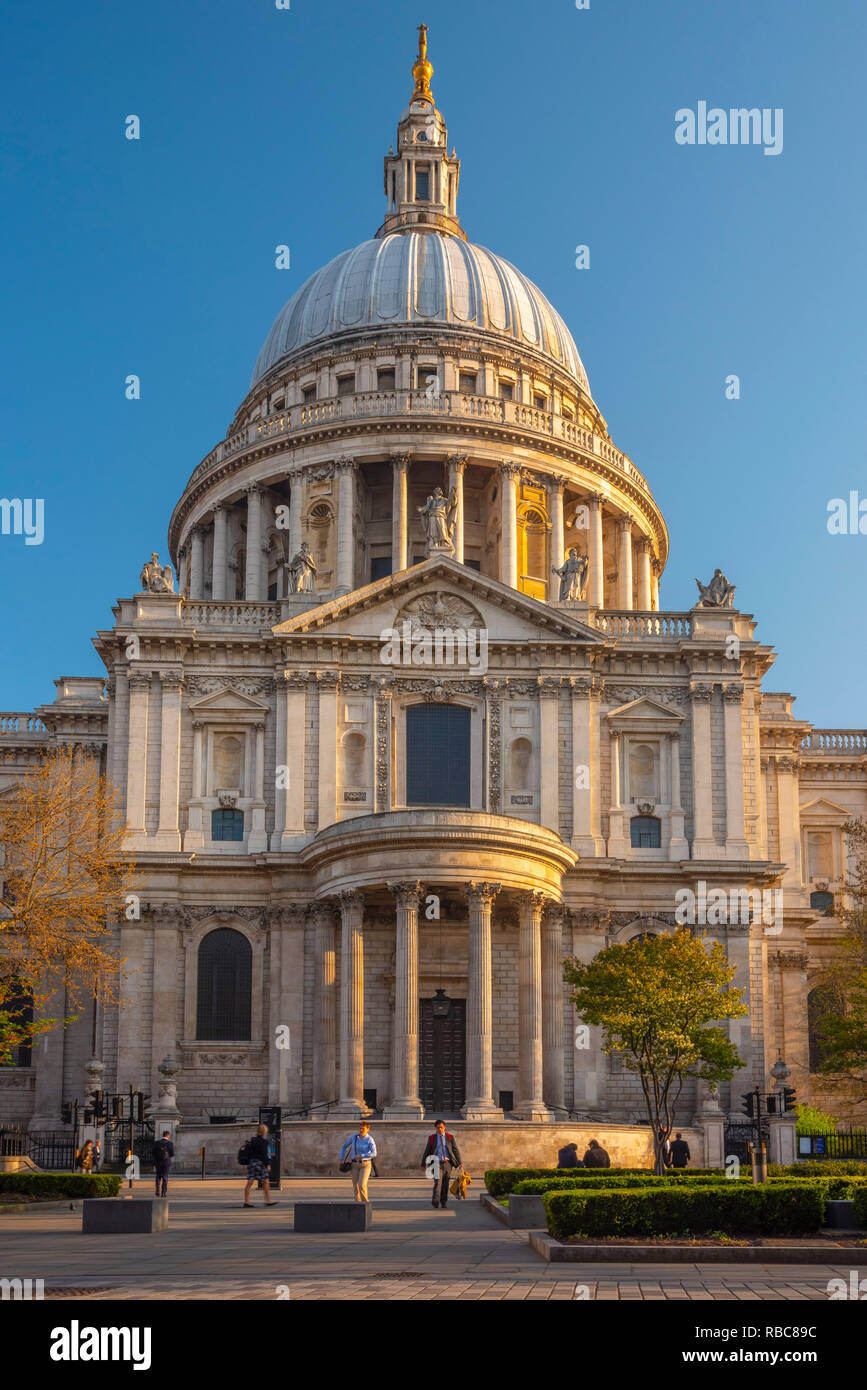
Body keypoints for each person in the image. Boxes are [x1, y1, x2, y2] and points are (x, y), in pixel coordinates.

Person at [421, 1120, 461, 1209]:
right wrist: (423, 1164)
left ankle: (444, 1201)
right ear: (435, 1128)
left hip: (448, 1164)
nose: (439, 1129)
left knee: (445, 1184)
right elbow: (427, 1151)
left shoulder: (450, 1137)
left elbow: (455, 1150)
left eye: (441, 1127)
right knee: (438, 1182)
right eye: (438, 1127)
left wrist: (460, 1162)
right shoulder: (432, 1138)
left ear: (444, 1127)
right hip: (436, 1163)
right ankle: (435, 1200)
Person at [339, 1121, 377, 1204]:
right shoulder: (354, 1137)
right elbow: (344, 1146)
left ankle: (365, 1203)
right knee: (355, 1186)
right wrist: (341, 1158)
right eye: (360, 1128)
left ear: (368, 1129)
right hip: (354, 1165)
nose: (361, 1130)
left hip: (365, 1164)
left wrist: (362, 1155)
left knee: (362, 1184)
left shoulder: (369, 1139)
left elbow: (374, 1153)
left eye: (363, 1128)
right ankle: (358, 1204)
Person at [243, 1124, 278, 1207]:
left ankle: (246, 1201)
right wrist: (268, 1164)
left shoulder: (253, 1140)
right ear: (264, 1132)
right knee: (266, 1181)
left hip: (252, 1163)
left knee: (250, 1182)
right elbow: (264, 1154)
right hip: (260, 1163)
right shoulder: (264, 1141)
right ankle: (268, 1200)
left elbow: (250, 1153)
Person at [152, 1131, 174, 1197]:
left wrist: (157, 1158)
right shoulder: (170, 1143)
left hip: (158, 1162)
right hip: (166, 1162)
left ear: (163, 1135)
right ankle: (164, 1192)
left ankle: (157, 1188)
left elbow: (153, 1152)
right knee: (165, 1177)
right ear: (168, 1136)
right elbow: (172, 1153)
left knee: (158, 1176)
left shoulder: (157, 1143)